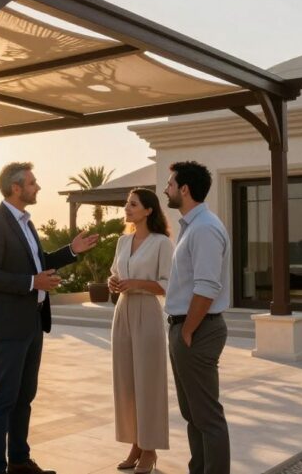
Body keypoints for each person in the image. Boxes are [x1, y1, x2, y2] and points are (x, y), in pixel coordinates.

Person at [0, 162, 99, 474]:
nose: (37, 187)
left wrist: (71, 251)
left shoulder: (26, 223)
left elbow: (39, 262)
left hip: (33, 322)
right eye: (32, 183)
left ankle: (18, 461)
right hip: (8, 326)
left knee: (24, 396)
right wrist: (33, 283)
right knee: (3, 399)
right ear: (16, 188)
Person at [163, 161, 231, 474]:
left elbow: (207, 287)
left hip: (197, 330)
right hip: (186, 328)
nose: (166, 189)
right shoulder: (193, 226)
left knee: (207, 417)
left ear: (184, 189)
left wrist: (188, 331)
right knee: (194, 414)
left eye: (170, 184)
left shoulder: (205, 229)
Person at [108, 188, 172, 473]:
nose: (127, 208)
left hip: (147, 311)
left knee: (148, 382)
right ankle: (135, 443)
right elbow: (116, 273)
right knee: (126, 382)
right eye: (126, 204)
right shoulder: (122, 241)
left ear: (148, 210)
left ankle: (150, 448)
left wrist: (136, 283)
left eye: (133, 204)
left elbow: (167, 285)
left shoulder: (162, 243)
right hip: (122, 312)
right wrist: (114, 282)